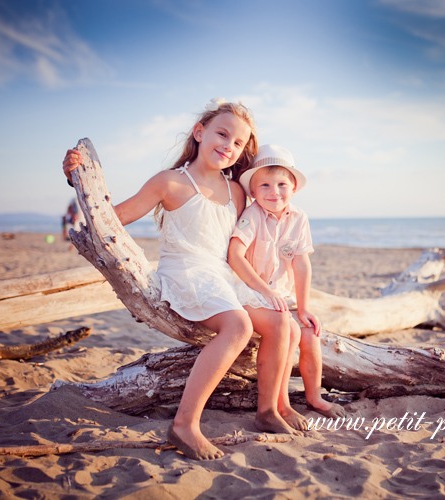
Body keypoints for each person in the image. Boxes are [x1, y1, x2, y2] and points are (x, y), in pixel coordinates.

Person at [62, 99, 299, 461]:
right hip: (187, 271)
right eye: (222, 134)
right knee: (236, 327)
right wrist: (75, 177)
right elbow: (111, 217)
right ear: (199, 132)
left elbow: (267, 212)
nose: (229, 145)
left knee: (282, 322)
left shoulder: (236, 190)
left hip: (224, 274)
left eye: (238, 143)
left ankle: (268, 410)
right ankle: (184, 424)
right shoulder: (170, 182)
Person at [227, 144, 345, 426]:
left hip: (282, 296)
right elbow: (235, 255)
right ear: (253, 191)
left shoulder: (299, 218)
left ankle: (314, 397)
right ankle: (281, 404)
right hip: (251, 292)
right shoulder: (252, 215)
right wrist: (265, 291)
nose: (273, 191)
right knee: (289, 331)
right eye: (264, 185)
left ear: (293, 188)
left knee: (309, 333)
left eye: (281, 184)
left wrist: (304, 307)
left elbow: (301, 263)